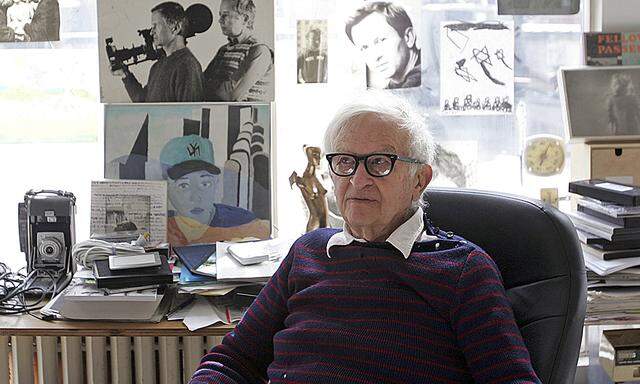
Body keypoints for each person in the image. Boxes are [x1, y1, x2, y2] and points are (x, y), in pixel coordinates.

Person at [189, 93, 541, 383]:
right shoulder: (307, 252)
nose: (358, 181)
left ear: (420, 179)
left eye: (380, 162)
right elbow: (234, 360)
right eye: (345, 162)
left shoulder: (462, 270)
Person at [160, 134, 270, 246]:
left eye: (205, 184)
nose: (196, 197)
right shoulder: (160, 227)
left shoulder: (244, 222)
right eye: (184, 185)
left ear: (216, 184)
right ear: (167, 188)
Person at [112, 2, 204, 102]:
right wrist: (124, 73)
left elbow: (190, 114)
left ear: (176, 28)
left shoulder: (187, 66)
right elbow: (144, 102)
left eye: (155, 26)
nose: (151, 32)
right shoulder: (157, 67)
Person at [203, 0, 274, 101]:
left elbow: (231, 96)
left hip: (245, 116)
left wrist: (212, 86)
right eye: (220, 15)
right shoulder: (223, 50)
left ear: (245, 19)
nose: (220, 20)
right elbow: (200, 87)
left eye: (225, 15)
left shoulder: (259, 51)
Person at [345, 1, 421, 89]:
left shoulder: (430, 79)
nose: (375, 57)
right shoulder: (395, 87)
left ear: (409, 37)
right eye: (364, 47)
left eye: (381, 40)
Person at [289, 145, 328, 232]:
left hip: (316, 195)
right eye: (316, 156)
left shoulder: (313, 173)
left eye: (318, 156)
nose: (318, 159)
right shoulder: (308, 176)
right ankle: (311, 235)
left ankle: (316, 234)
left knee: (320, 217)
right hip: (314, 197)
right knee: (315, 215)